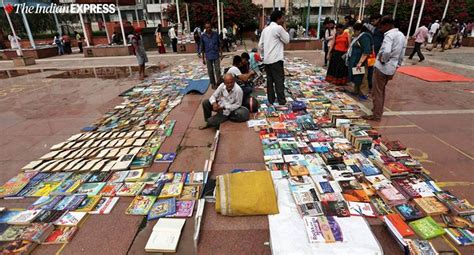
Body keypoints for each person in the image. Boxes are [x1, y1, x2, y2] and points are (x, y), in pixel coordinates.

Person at [363, 16, 405, 121]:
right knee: (381, 91)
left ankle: (376, 115)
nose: (380, 30)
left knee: (377, 92)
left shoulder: (389, 35)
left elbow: (386, 51)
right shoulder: (401, 35)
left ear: (387, 25)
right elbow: (402, 53)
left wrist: (383, 60)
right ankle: (377, 111)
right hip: (391, 67)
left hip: (382, 67)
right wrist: (397, 64)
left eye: (381, 27)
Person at [258, 10, 290, 105]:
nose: (283, 20)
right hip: (276, 60)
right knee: (279, 81)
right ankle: (281, 101)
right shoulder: (278, 28)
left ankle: (271, 100)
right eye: (282, 18)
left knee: (270, 81)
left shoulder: (265, 29)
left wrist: (265, 53)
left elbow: (260, 45)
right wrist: (284, 27)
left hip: (267, 61)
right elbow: (287, 40)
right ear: (278, 18)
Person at [347, 23, 373, 98]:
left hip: (362, 61)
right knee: (357, 76)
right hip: (356, 60)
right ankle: (356, 90)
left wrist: (360, 62)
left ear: (359, 30)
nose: (354, 33)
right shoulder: (359, 37)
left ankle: (363, 93)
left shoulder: (365, 37)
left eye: (354, 31)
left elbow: (366, 51)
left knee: (363, 77)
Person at [201, 22, 222, 89]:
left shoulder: (216, 34)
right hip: (208, 55)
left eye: (209, 27)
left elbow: (219, 44)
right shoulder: (203, 36)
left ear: (211, 27)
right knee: (210, 70)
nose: (208, 29)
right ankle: (213, 83)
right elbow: (202, 47)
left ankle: (218, 82)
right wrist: (203, 58)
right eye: (207, 27)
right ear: (205, 28)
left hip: (216, 54)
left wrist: (221, 53)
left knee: (217, 69)